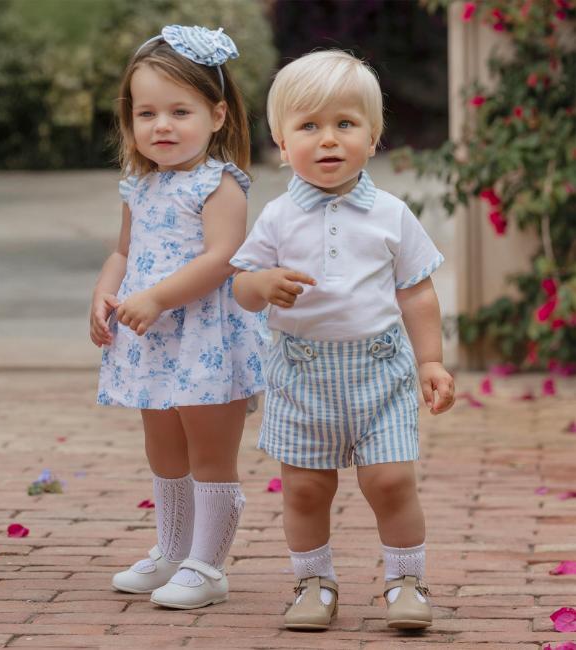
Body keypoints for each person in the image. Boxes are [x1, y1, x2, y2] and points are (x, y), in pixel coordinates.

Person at [230, 50, 455, 631]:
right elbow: (242, 289)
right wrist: (261, 283)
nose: (328, 140)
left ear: (373, 137)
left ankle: (406, 581)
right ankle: (313, 583)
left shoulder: (391, 213)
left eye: (345, 124)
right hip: (301, 375)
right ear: (282, 142)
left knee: (391, 480)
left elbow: (416, 291)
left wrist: (430, 359)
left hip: (380, 371)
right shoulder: (278, 217)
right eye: (309, 127)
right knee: (305, 489)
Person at [90, 25, 265, 610]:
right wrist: (104, 294)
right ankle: (172, 549)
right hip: (149, 336)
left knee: (209, 453)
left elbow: (222, 259)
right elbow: (123, 251)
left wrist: (159, 297)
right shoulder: (138, 186)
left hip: (205, 337)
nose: (161, 125)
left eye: (178, 111)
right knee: (163, 447)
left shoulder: (221, 186)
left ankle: (208, 567)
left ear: (217, 115)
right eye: (146, 113)